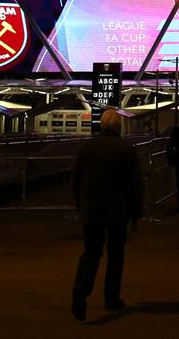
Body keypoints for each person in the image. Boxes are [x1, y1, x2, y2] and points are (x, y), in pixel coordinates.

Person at [71, 109, 143, 322]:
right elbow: (135, 184)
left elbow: (75, 180)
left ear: (101, 125)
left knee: (91, 252)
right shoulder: (126, 149)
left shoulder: (86, 147)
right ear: (119, 126)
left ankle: (80, 290)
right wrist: (136, 212)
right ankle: (111, 298)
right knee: (115, 255)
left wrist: (79, 205)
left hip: (91, 209)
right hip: (117, 210)